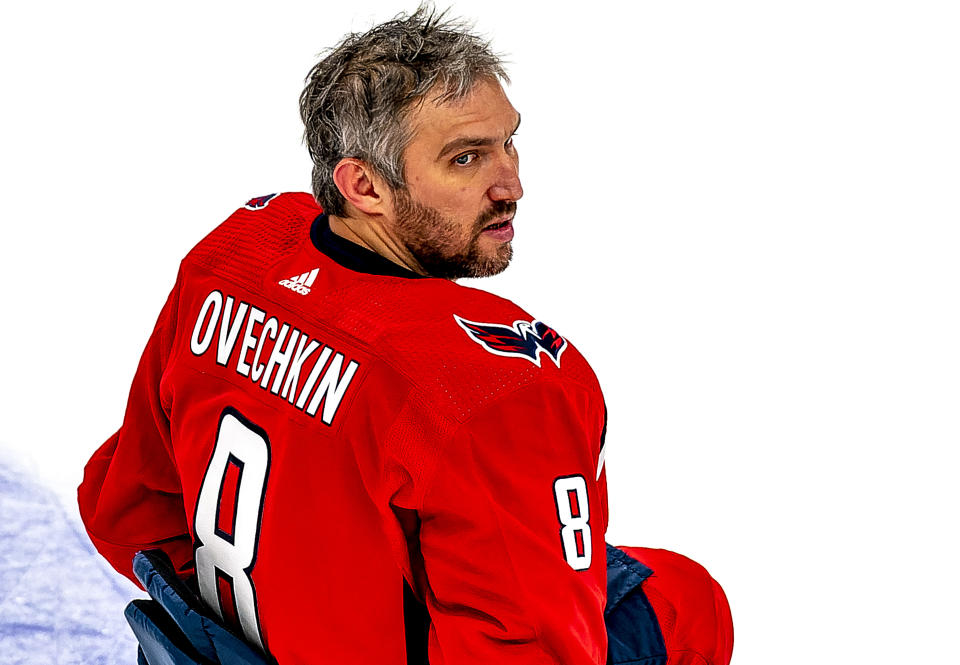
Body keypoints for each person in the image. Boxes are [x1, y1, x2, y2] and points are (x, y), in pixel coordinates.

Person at [78, 6, 732, 665]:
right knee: (685, 601)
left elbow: (127, 510)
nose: (512, 185)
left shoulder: (235, 254)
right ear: (362, 184)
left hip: (224, 639)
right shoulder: (492, 381)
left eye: (509, 141)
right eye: (466, 158)